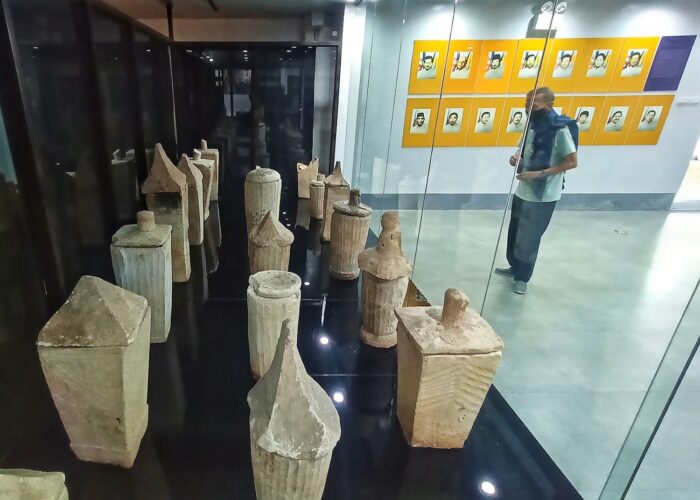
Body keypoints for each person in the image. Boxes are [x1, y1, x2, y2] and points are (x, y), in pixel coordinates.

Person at [495, 87, 578, 294]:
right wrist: (516, 157)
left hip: (544, 195)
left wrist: (539, 174)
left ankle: (523, 277)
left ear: (549, 105)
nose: (529, 109)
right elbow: (522, 148)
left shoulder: (560, 129)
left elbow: (572, 162)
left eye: (534, 105)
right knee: (515, 231)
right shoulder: (533, 123)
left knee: (530, 237)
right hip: (523, 189)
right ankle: (514, 266)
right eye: (527, 104)